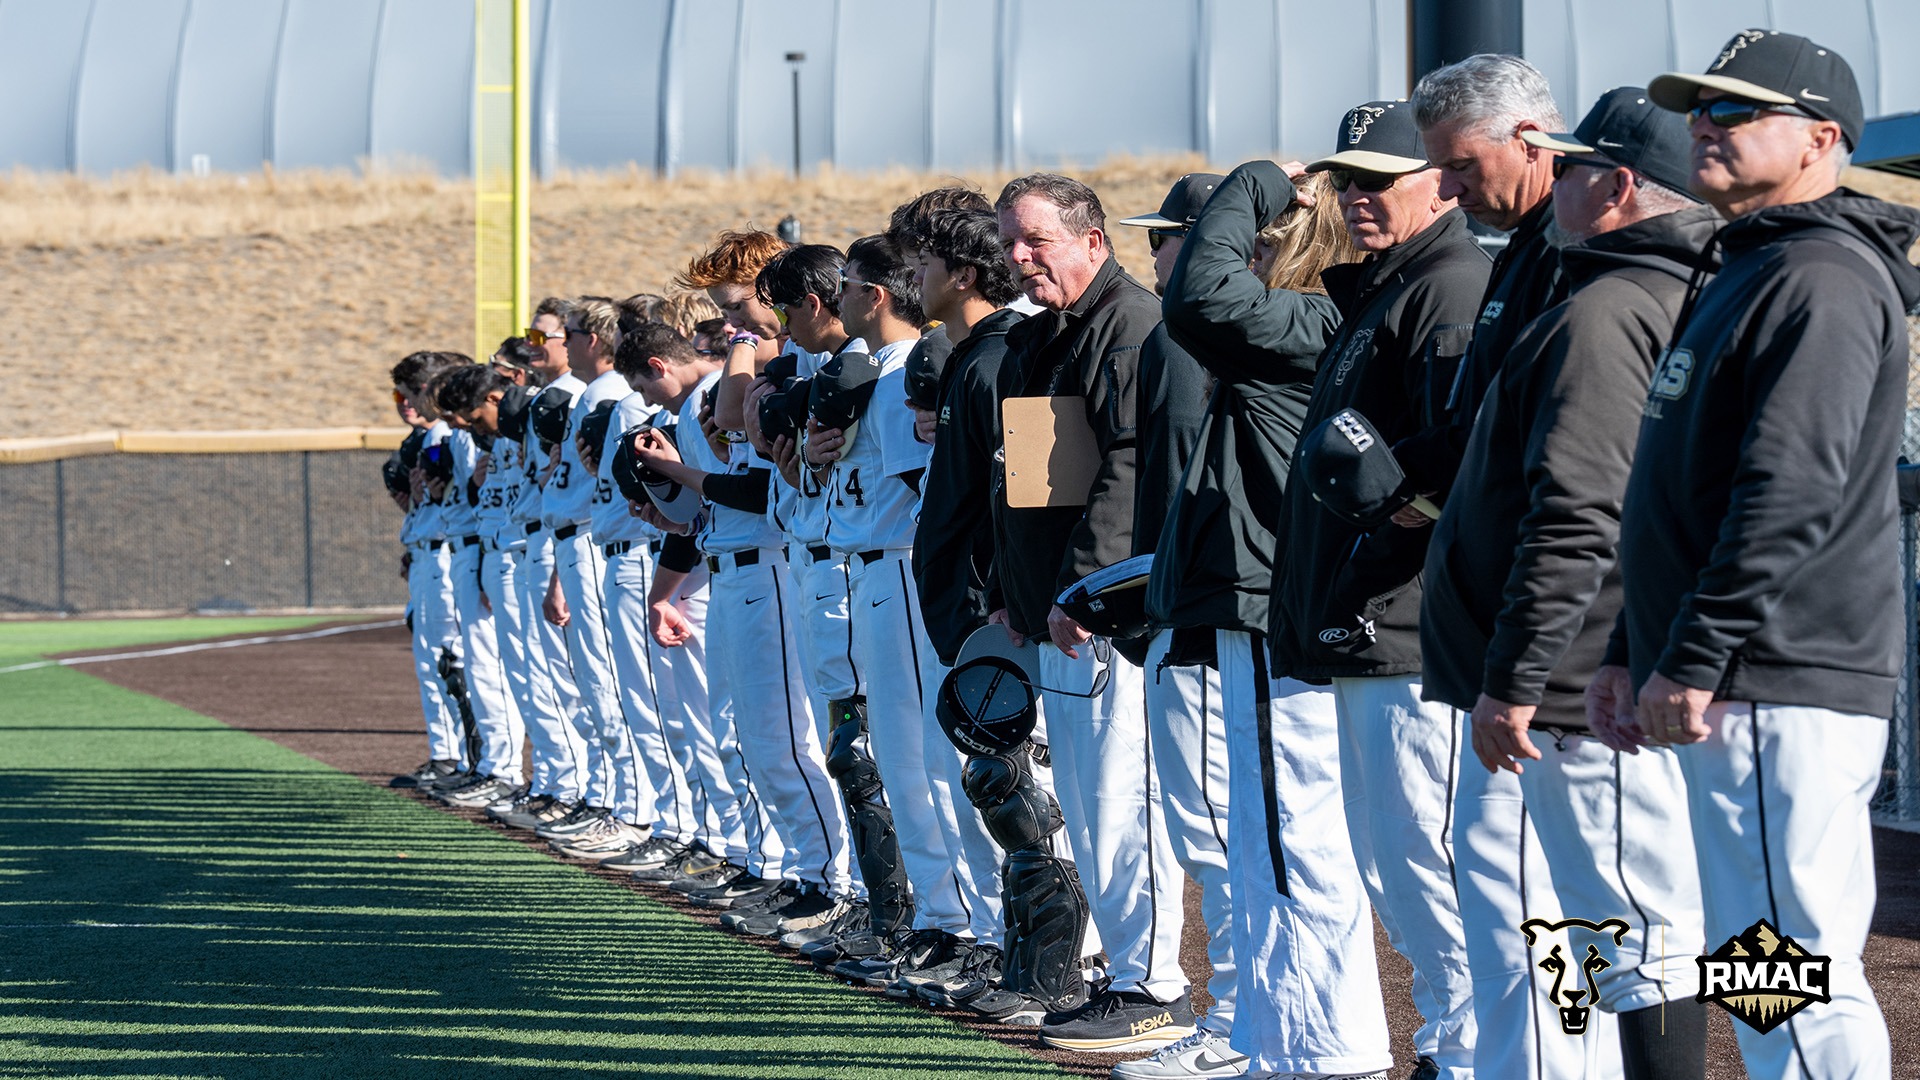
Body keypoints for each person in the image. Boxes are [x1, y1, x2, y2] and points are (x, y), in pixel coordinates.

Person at [1595, 30, 1920, 1078]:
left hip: (1776, 671)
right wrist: (1635, 646)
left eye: (1737, 111)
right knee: (1761, 965)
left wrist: (1692, 652)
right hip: (1741, 672)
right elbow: (1677, 496)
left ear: (1823, 137)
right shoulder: (1757, 264)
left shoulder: (1822, 272)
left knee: (1793, 975)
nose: (1706, 125)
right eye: (1702, 109)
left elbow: (1790, 489)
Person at [1421, 87, 1722, 1080]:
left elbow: (1579, 515)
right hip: (1594, 670)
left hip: (1584, 678)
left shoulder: (1608, 308)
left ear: (1622, 184)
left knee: (1640, 924)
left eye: (1577, 161)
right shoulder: (1626, 292)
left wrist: (1518, 674)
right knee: (1590, 925)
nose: (1559, 175)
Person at [1264, 100, 1490, 1080]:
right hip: (1369, 626)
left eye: (1378, 177)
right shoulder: (1386, 290)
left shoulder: (1446, 285)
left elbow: (1455, 466)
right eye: (1345, 180)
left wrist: (1394, 531)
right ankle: (1455, 1043)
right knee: (1397, 867)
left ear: (1441, 177)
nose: (1357, 196)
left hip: (1408, 630)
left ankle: (1475, 1050)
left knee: (1431, 864)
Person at [1155, 160, 1376, 1080]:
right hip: (1263, 604)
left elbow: (1198, 294)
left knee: (1293, 843)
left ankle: (1324, 1053)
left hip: (1274, 606)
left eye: (1262, 238)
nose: (1244, 251)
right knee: (1269, 844)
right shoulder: (1308, 327)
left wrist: (1253, 181)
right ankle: (1288, 1044)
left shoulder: (1310, 323)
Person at [1403, 56, 1593, 1078]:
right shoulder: (1524, 249)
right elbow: (1485, 437)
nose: (1450, 187)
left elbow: (1571, 484)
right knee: (1511, 884)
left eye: (1462, 165)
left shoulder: (1574, 254)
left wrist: (1523, 664)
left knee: (1554, 904)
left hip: (1556, 648)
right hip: (1503, 634)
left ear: (1532, 139)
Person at [990, 172, 1193, 1053]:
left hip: (1108, 613)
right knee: (1088, 798)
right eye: (1010, 243)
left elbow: (1130, 468)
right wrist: (1019, 586)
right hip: (1059, 611)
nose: (1019, 257)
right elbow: (1034, 481)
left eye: (1035, 240)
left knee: (1124, 800)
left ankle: (1153, 984)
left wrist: (1081, 589)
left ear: (1091, 241)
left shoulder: (1128, 324)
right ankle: (1125, 974)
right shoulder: (1048, 335)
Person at [1107, 172, 1245, 1077]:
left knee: (1223, 834)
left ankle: (1239, 1022)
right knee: (1221, 831)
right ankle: (1248, 1021)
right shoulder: (1170, 333)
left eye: (1170, 235)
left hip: (1200, 614)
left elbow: (1179, 495)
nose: (1154, 251)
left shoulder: (1184, 337)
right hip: (1181, 607)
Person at [907, 205, 1033, 1019]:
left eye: (922, 261)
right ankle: (1015, 953)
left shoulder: (1004, 356)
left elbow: (1021, 498)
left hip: (1001, 617)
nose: (909, 276)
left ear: (964, 273)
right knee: (993, 792)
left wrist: (996, 601)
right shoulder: (971, 357)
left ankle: (1062, 967)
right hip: (974, 610)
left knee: (1025, 799)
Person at [620, 320, 783, 899]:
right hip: (733, 567)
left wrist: (670, 473)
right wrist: (675, 515)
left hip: (769, 571)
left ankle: (794, 869)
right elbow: (708, 507)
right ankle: (758, 857)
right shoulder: (697, 406)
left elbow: (750, 493)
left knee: (770, 737)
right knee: (736, 732)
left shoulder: (716, 398)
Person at [536, 298, 648, 860]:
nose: (566, 343)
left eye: (572, 333)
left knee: (612, 686)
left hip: (602, 543)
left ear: (596, 340)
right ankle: (617, 802)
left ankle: (629, 807)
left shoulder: (611, 397)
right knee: (603, 682)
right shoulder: (598, 398)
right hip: (589, 542)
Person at [430, 362, 527, 811]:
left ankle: (508, 771)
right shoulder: (485, 438)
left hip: (514, 551)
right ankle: (498, 767)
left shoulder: (518, 424)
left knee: (513, 670)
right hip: (489, 549)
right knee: (489, 668)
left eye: (466, 414)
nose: (461, 424)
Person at [390, 350, 470, 790]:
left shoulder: (446, 433)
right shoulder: (429, 437)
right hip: (430, 551)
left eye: (412, 391)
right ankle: (448, 755)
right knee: (434, 662)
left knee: (447, 660)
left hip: (446, 553)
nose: (405, 402)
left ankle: (458, 757)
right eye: (397, 394)